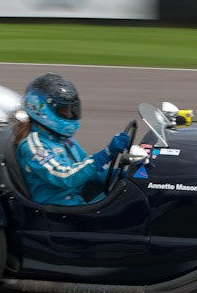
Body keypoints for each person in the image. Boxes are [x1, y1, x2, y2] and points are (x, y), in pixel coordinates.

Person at [15, 73, 130, 205]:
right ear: (42, 110)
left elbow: (87, 172)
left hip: (75, 198)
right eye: (64, 111)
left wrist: (125, 175)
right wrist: (105, 154)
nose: (69, 114)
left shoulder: (62, 140)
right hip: (57, 208)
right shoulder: (34, 146)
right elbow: (65, 176)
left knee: (130, 193)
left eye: (71, 109)